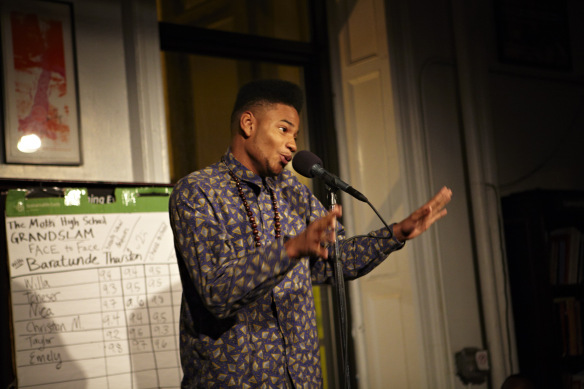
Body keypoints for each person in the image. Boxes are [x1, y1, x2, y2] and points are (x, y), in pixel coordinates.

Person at [169, 79, 452, 388]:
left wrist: (396, 233)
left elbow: (336, 262)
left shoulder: (293, 193)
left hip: (302, 380)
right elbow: (218, 292)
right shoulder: (197, 192)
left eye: (295, 134)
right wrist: (291, 250)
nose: (293, 144)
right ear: (248, 124)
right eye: (283, 129)